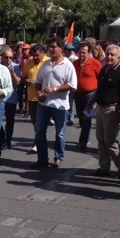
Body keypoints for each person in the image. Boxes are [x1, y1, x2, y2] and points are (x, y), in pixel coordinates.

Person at [30, 38, 77, 169]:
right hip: (44, 105)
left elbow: (73, 85)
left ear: (61, 48)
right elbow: (38, 82)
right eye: (49, 47)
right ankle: (42, 159)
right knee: (39, 133)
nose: (50, 49)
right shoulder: (46, 64)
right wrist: (39, 93)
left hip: (60, 106)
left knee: (60, 134)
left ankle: (58, 157)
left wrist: (55, 89)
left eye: (53, 47)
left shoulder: (68, 65)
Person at [90, 44, 120, 179]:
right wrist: (90, 104)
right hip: (100, 108)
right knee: (101, 140)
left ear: (119, 57)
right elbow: (99, 89)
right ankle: (104, 167)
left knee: (110, 141)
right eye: (108, 54)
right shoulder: (103, 69)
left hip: (112, 110)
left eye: (112, 55)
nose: (109, 57)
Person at [73, 42, 102, 151]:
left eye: (84, 53)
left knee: (86, 117)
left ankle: (83, 141)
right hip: (77, 93)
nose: (81, 55)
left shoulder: (95, 63)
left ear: (89, 53)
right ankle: (86, 134)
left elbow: (101, 78)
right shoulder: (75, 63)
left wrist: (98, 94)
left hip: (90, 94)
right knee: (81, 117)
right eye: (80, 52)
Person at [22, 45, 49, 153]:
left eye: (37, 55)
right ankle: (39, 140)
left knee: (41, 123)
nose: (35, 57)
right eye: (33, 55)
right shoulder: (29, 62)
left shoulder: (48, 61)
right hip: (32, 97)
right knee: (35, 123)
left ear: (43, 53)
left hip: (45, 98)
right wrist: (26, 81)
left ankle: (38, 142)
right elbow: (23, 77)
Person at [0, 47, 22, 150]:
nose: (8, 60)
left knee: (9, 122)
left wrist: (12, 73)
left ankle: (7, 141)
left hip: (11, 99)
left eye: (10, 58)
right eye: (6, 57)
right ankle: (2, 137)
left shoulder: (15, 66)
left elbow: (17, 83)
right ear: (2, 58)